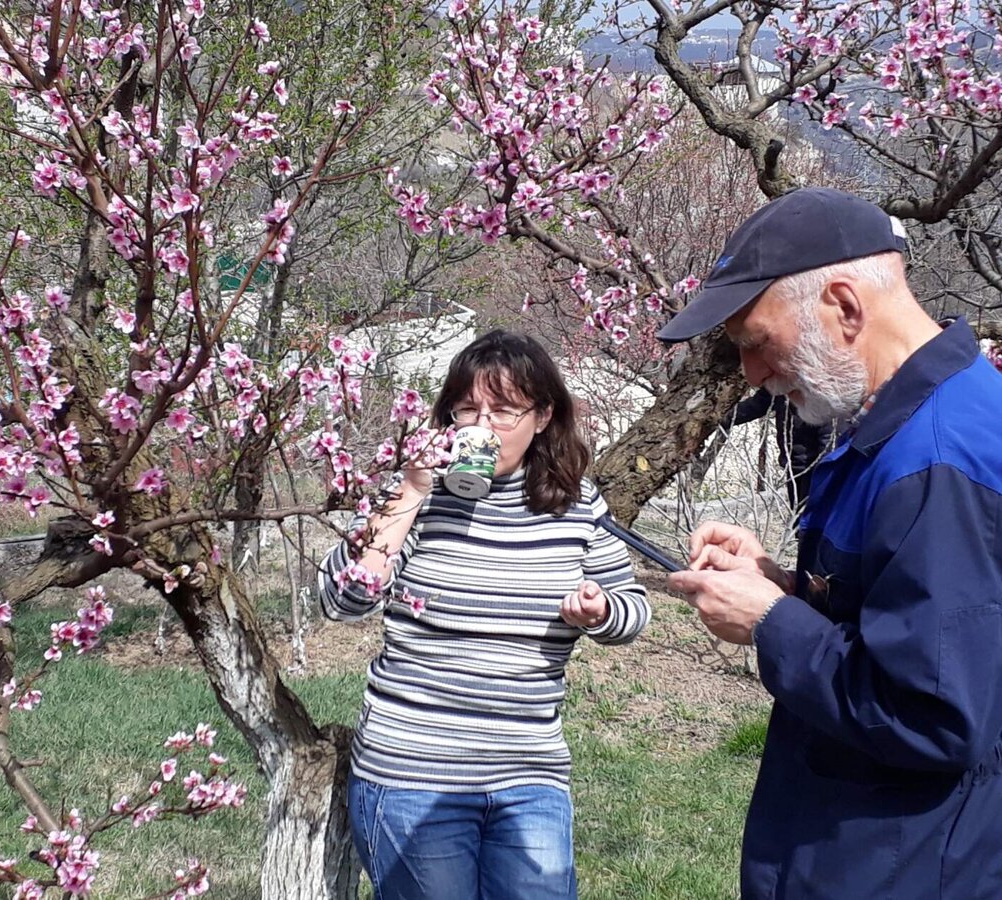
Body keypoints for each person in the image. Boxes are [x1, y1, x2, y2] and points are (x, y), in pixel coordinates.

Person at [657, 187, 1002, 899]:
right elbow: (901, 619)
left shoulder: (937, 459)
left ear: (844, 306)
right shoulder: (903, 425)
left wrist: (770, 622)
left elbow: (934, 716)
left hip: (900, 867)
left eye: (757, 342)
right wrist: (784, 586)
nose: (751, 374)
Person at [319, 330, 650, 900]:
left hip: (529, 774)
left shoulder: (576, 504)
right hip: (411, 771)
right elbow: (342, 598)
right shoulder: (417, 499)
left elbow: (633, 611)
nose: (482, 425)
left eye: (503, 411)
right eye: (467, 410)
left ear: (543, 416)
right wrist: (410, 490)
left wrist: (598, 612)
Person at [729, 386, 832, 507]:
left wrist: (824, 474)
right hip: (794, 466)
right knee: (797, 519)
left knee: (812, 519)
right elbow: (756, 405)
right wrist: (719, 418)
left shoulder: (820, 389)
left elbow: (829, 439)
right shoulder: (780, 383)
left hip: (815, 470)